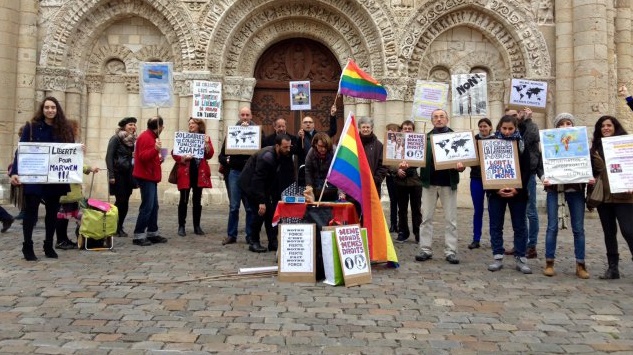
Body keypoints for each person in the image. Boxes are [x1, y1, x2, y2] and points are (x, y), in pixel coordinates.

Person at [9, 96, 75, 261]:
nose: (50, 110)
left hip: (54, 177)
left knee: (52, 213)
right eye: (47, 107)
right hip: (34, 174)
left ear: (57, 109)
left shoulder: (64, 129)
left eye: (53, 107)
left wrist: (79, 150)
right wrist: (14, 172)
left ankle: (48, 245)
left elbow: (70, 150)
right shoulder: (31, 127)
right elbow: (21, 151)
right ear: (42, 109)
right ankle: (28, 245)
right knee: (31, 212)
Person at [542, 113, 592, 278]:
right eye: (561, 124)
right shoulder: (548, 145)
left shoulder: (581, 146)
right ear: (556, 128)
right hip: (554, 190)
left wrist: (589, 176)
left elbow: (587, 165)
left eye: (568, 123)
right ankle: (549, 262)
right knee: (552, 227)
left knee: (578, 228)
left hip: (575, 190)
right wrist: (544, 178)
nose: (565, 126)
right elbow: (540, 166)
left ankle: (580, 264)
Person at [416, 109, 465, 264]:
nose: (438, 119)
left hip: (448, 183)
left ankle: (451, 251)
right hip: (429, 183)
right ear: (432, 121)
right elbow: (417, 158)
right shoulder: (426, 138)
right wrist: (405, 164)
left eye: (441, 116)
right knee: (426, 218)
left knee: (451, 220)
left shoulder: (456, 137)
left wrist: (460, 167)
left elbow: (463, 161)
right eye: (435, 117)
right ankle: (425, 249)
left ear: (447, 119)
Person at [486, 115, 533, 274]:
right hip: (496, 192)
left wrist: (516, 189)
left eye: (510, 129)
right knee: (496, 225)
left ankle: (521, 257)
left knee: (520, 225)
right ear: (499, 128)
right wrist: (495, 189)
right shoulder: (491, 144)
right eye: (504, 128)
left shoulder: (521, 144)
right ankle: (497, 256)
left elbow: (527, 169)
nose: (507, 132)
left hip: (517, 193)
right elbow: (487, 168)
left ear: (515, 129)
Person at [590, 115, 633, 279]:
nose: (605, 128)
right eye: (602, 126)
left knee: (629, 231)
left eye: (609, 125)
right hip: (604, 197)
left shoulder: (625, 145)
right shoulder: (595, 149)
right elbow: (592, 171)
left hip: (624, 195)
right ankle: (612, 268)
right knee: (609, 232)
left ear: (615, 127)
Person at [239, 134, 293, 252]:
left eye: (289, 147)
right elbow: (258, 180)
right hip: (250, 185)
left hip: (263, 186)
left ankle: (273, 242)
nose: (288, 150)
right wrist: (261, 201)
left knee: (270, 214)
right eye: (285, 147)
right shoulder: (267, 157)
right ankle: (254, 242)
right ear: (277, 146)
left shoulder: (281, 154)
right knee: (259, 213)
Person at [504, 107, 543, 258]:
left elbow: (528, 140)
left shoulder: (529, 127)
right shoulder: (509, 131)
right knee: (518, 213)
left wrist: (528, 120)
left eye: (516, 115)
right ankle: (520, 243)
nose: (514, 118)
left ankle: (531, 245)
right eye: (510, 116)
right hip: (512, 175)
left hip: (528, 174)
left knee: (530, 211)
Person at [56, 119, 100, 250]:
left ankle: (64, 238)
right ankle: (61, 240)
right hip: (65, 186)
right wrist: (88, 168)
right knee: (62, 216)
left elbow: (76, 163)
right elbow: (74, 164)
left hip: (72, 187)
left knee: (67, 214)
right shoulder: (64, 146)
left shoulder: (70, 146)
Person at [218, 107, 257, 245]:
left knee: (249, 207)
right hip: (234, 172)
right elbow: (221, 156)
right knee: (234, 206)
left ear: (251, 116)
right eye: (243, 115)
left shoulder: (257, 133)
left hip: (249, 174)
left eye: (247, 115)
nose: (245, 117)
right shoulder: (231, 133)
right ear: (239, 116)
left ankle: (250, 235)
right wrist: (229, 161)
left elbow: (262, 151)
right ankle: (231, 235)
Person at [172, 118, 214, 237]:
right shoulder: (183, 137)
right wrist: (183, 158)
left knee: (197, 200)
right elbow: (174, 153)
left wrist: (206, 144)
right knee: (183, 199)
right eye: (189, 123)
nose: (190, 125)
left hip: (198, 173)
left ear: (198, 125)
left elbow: (210, 155)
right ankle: (181, 226)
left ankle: (197, 226)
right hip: (186, 172)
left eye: (193, 123)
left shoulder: (205, 138)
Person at [131, 116, 167, 246]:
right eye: (162, 126)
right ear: (159, 127)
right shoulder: (146, 137)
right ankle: (139, 235)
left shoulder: (150, 136)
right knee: (147, 206)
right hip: (146, 177)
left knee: (153, 206)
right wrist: (155, 150)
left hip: (150, 176)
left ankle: (153, 232)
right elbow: (143, 156)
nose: (163, 128)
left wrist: (158, 157)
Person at [105, 116, 137, 238]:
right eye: (130, 124)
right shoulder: (116, 139)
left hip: (129, 174)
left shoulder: (134, 141)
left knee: (126, 200)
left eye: (134, 125)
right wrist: (111, 174)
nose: (132, 127)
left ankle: (119, 226)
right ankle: (114, 226)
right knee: (121, 200)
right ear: (124, 126)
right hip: (118, 174)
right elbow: (109, 157)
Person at [352, 116, 388, 216]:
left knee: (370, 214)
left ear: (372, 128)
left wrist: (376, 179)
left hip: (372, 185)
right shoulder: (353, 143)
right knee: (355, 212)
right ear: (359, 128)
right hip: (355, 184)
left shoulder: (379, 145)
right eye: (363, 127)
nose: (365, 129)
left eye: (368, 127)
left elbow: (383, 165)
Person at [468, 118, 494, 249]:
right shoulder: (473, 140)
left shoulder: (496, 140)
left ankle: (494, 238)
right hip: (477, 178)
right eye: (481, 127)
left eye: (485, 126)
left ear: (490, 127)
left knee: (493, 210)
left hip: (492, 178)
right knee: (478, 210)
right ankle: (476, 238)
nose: (483, 129)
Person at [393, 120, 421, 243]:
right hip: (400, 181)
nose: (407, 130)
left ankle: (418, 231)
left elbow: (421, 160)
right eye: (405, 128)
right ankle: (403, 231)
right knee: (402, 208)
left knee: (416, 208)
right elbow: (389, 161)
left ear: (413, 130)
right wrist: (397, 170)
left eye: (410, 128)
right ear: (401, 130)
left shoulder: (418, 142)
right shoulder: (394, 143)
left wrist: (410, 167)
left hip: (415, 181)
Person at [303, 132, 339, 202]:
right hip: (316, 187)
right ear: (315, 144)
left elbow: (339, 173)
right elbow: (308, 170)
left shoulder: (334, 151)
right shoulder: (311, 152)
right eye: (320, 146)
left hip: (332, 188)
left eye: (325, 147)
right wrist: (309, 185)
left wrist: (341, 193)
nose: (323, 149)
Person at [385, 123, 400, 233]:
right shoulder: (386, 145)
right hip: (391, 176)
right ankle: (393, 223)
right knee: (393, 201)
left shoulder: (401, 144)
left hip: (401, 176)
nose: (391, 132)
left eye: (393, 130)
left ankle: (400, 224)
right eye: (389, 130)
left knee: (401, 202)